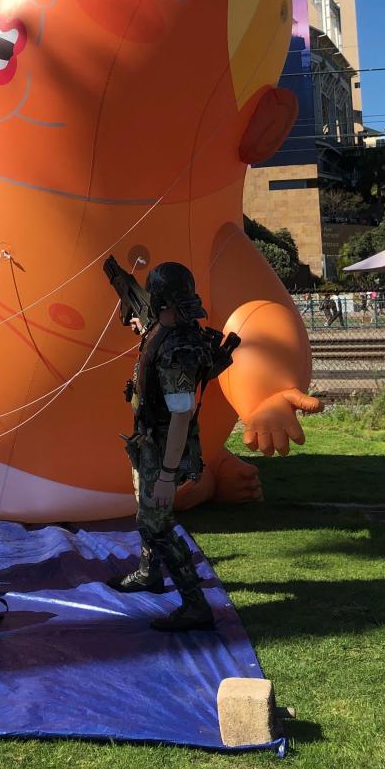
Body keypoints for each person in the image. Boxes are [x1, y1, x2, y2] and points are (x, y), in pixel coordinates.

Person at [109, 262, 227, 632]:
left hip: (165, 447)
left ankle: (195, 604)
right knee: (144, 506)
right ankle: (148, 572)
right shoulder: (170, 330)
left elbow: (180, 415)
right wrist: (145, 330)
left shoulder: (178, 348)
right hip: (149, 439)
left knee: (156, 523)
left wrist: (166, 475)